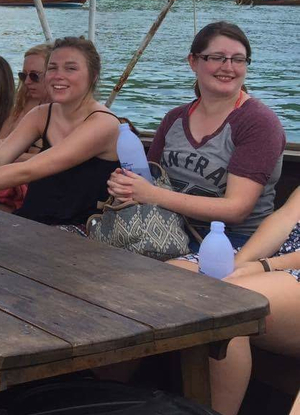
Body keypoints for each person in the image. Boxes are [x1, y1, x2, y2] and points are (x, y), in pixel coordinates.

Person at [108, 21, 285, 247]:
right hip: (165, 230)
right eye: (217, 57)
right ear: (193, 61)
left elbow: (236, 209)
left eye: (238, 59)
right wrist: (127, 185)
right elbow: (149, 179)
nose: (228, 67)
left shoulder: (258, 123)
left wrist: (151, 194)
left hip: (237, 243)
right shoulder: (174, 119)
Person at [0, 37, 121, 228]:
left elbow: (30, 169)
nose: (58, 75)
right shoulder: (42, 114)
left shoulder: (103, 124)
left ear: (93, 76)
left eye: (70, 68)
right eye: (52, 68)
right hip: (31, 220)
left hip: (78, 230)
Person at [168, 187, 300, 415]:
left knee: (230, 305)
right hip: (277, 257)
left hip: (287, 267)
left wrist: (264, 266)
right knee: (167, 277)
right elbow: (286, 218)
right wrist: (239, 263)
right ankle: (113, 403)